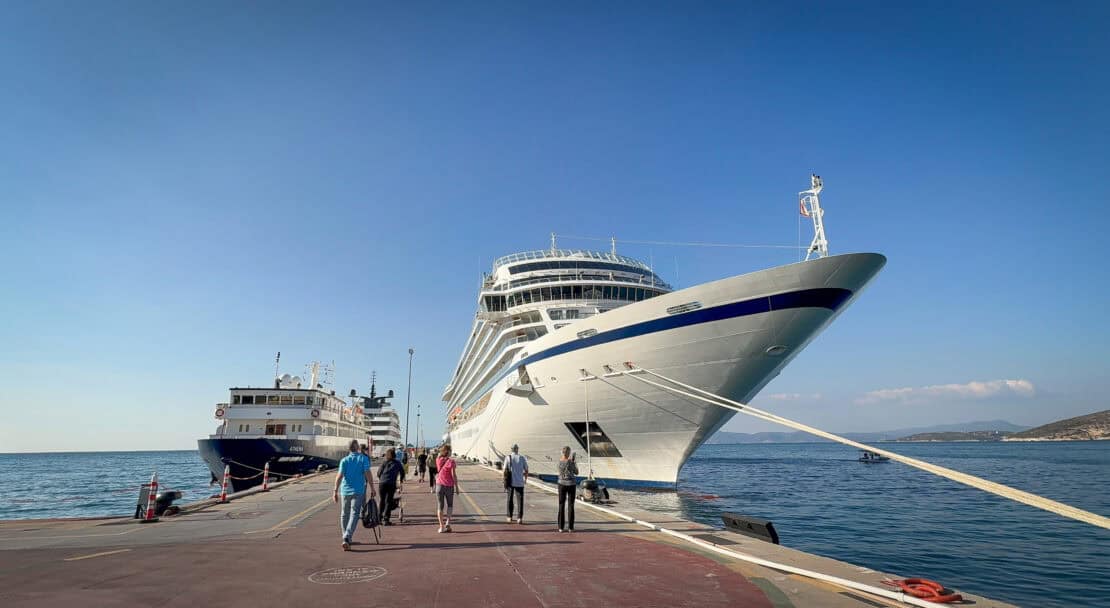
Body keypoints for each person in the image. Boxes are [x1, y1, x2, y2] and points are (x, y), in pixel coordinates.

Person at [333, 439, 372, 550]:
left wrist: (335, 491)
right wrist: (372, 487)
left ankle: (346, 538)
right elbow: (368, 473)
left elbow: (339, 476)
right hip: (358, 491)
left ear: (349, 448)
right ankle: (347, 537)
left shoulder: (344, 460)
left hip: (344, 491)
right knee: (354, 514)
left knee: (344, 513)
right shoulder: (363, 458)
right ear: (358, 447)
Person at [377, 448, 405, 525]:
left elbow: (379, 473)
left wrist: (382, 478)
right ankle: (386, 519)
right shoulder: (397, 463)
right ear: (394, 455)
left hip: (382, 483)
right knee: (388, 501)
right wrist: (401, 481)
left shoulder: (384, 463)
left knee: (382, 500)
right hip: (391, 483)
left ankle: (379, 518)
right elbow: (402, 472)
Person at [435, 444, 459, 533]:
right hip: (449, 486)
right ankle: (448, 523)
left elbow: (438, 455)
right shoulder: (451, 461)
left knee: (440, 506)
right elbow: (453, 475)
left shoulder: (438, 460)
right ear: (448, 451)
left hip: (439, 485)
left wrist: (442, 452)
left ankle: (441, 527)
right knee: (450, 505)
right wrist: (457, 487)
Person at [503, 444, 528, 524]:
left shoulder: (508, 458)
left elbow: (504, 470)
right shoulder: (522, 458)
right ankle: (519, 518)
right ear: (517, 449)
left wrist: (504, 480)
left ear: (511, 449)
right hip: (520, 482)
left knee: (509, 499)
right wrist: (525, 479)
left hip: (510, 482)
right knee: (520, 500)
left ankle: (509, 517)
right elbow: (526, 470)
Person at [556, 447, 578, 533]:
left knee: (561, 505)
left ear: (562, 453)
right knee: (571, 505)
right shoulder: (571, 462)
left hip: (561, 484)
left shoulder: (559, 462)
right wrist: (573, 462)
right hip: (571, 484)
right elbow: (576, 472)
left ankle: (561, 527)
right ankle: (570, 527)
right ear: (569, 453)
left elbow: (559, 471)